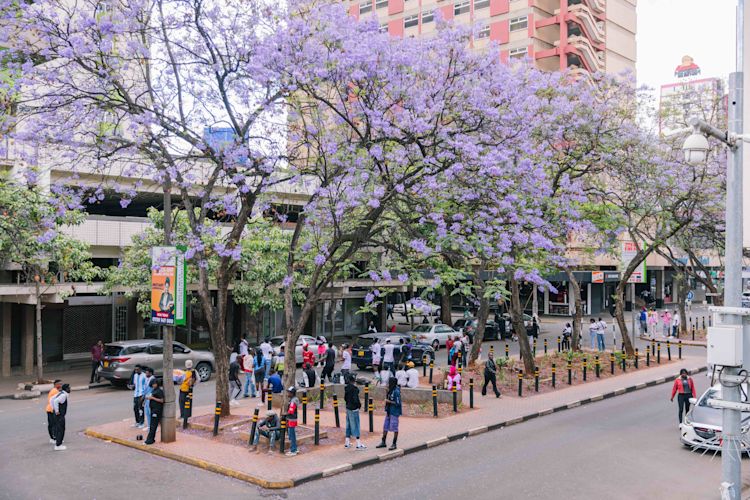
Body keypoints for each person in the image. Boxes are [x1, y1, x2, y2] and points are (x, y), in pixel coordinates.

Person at [376, 377, 401, 451]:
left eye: (389, 382)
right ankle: (383, 441)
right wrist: (386, 392)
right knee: (385, 426)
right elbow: (388, 398)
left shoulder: (396, 391)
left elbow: (398, 403)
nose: (388, 384)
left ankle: (394, 443)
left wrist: (389, 401)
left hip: (394, 412)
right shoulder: (390, 390)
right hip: (389, 411)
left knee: (394, 427)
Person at [344, 374, 366, 450]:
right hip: (354, 409)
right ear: (354, 381)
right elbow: (355, 399)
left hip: (348, 408)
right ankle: (358, 444)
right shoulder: (355, 389)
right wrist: (358, 405)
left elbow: (345, 398)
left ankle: (347, 442)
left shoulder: (346, 388)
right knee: (356, 425)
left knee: (348, 425)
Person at [145, 378, 164, 445]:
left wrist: (152, 398)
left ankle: (149, 440)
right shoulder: (154, 390)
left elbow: (162, 400)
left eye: (154, 384)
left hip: (157, 410)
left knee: (153, 426)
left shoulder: (159, 391)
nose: (153, 385)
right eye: (152, 384)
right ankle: (151, 439)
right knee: (152, 425)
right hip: (153, 409)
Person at [51, 383, 70, 451]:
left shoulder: (60, 393)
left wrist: (54, 409)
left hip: (56, 414)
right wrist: (57, 411)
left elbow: (51, 399)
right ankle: (58, 445)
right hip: (59, 415)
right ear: (66, 389)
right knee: (61, 429)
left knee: (58, 428)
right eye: (68, 388)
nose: (70, 389)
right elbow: (55, 401)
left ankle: (58, 441)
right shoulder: (63, 395)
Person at [45, 380, 62, 444]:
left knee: (52, 424)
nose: (61, 385)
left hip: (50, 409)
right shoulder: (55, 391)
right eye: (59, 384)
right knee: (54, 424)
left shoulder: (54, 390)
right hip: (52, 410)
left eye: (61, 384)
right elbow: (55, 402)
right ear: (55, 384)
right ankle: (54, 438)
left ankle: (53, 438)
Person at [285, 387, 300, 456]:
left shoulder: (293, 401)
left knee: (292, 435)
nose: (288, 393)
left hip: (291, 419)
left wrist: (284, 414)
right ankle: (295, 448)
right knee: (292, 435)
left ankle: (293, 450)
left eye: (289, 392)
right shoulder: (293, 399)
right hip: (293, 419)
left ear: (292, 393)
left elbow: (291, 411)